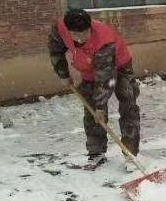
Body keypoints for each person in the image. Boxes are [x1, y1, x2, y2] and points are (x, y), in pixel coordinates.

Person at [48, 9, 140, 170]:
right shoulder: (60, 28)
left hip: (119, 67)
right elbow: (56, 49)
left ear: (90, 27)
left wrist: (100, 107)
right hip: (89, 70)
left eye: (84, 33)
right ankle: (96, 152)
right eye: (75, 34)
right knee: (91, 111)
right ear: (68, 30)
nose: (80, 38)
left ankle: (130, 153)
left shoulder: (104, 40)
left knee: (128, 104)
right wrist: (63, 73)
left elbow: (106, 78)